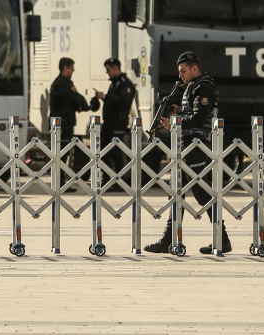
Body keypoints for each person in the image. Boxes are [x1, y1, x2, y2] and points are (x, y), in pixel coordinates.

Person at [144, 51, 230, 254]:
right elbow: (191, 114)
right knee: (176, 190)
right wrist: (177, 113)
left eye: (183, 71)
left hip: (197, 147)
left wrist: (175, 121)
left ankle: (222, 238)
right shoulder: (192, 87)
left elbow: (199, 118)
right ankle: (170, 238)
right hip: (188, 146)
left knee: (202, 193)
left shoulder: (204, 87)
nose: (180, 75)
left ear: (194, 69)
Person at [49, 57, 100, 182]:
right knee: (61, 153)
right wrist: (87, 105)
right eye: (72, 67)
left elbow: (72, 101)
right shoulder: (63, 84)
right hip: (63, 124)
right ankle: (59, 183)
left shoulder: (59, 83)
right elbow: (77, 98)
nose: (73, 70)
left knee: (61, 154)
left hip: (61, 123)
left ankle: (59, 182)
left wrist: (83, 106)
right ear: (65, 68)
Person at [95, 58, 137, 178]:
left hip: (118, 123)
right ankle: (107, 178)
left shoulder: (125, 83)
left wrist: (105, 96)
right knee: (103, 151)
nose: (107, 72)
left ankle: (119, 179)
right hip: (108, 123)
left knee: (116, 152)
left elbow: (124, 100)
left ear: (115, 68)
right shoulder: (114, 83)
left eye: (108, 69)